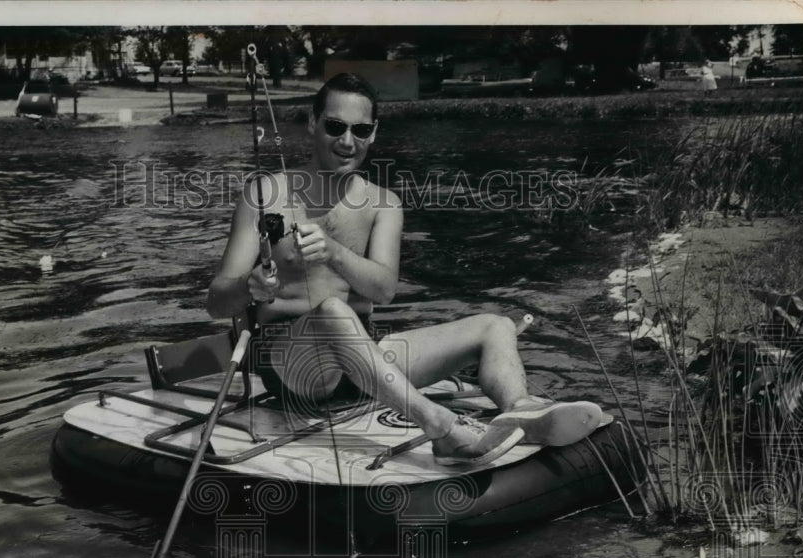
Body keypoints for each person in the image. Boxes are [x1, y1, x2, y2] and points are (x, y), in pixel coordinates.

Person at [207, 73, 603, 467]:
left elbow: (383, 291)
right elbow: (216, 301)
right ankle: (440, 428)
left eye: (360, 130)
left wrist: (333, 253)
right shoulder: (263, 194)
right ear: (312, 124)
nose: (347, 142)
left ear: (374, 133)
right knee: (332, 311)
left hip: (367, 359)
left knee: (495, 326)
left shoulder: (385, 204)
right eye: (335, 127)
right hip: (294, 367)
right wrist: (251, 286)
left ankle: (521, 410)